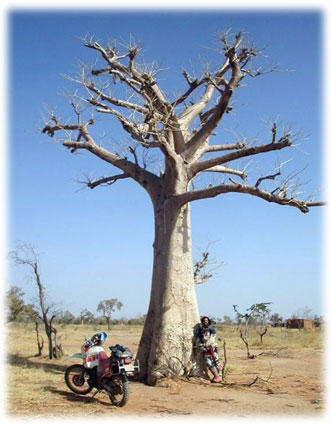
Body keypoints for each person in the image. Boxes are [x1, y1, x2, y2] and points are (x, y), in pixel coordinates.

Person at [197, 316, 222, 383]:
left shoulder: (212, 329)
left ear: (208, 321)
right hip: (205, 349)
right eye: (204, 320)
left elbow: (212, 338)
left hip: (212, 347)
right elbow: (199, 339)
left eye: (207, 320)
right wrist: (200, 345)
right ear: (202, 321)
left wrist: (206, 345)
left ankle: (219, 376)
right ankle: (216, 376)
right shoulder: (200, 330)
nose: (205, 321)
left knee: (216, 361)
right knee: (208, 362)